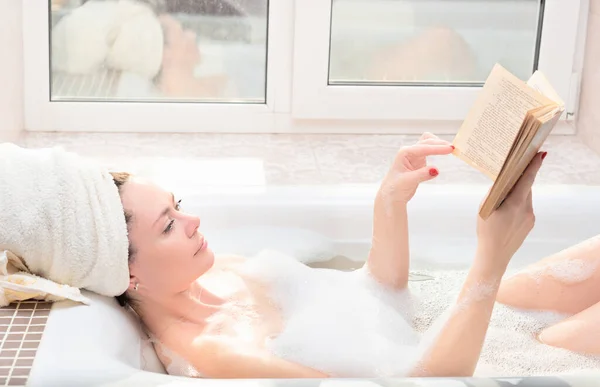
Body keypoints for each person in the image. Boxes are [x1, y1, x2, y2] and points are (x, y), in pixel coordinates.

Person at [106, 132, 545, 378]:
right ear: (127, 275)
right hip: (449, 358)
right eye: (168, 225)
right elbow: (415, 383)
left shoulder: (223, 272)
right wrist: (491, 261)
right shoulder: (216, 352)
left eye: (177, 206)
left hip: (441, 333)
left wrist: (389, 203)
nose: (193, 221)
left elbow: (377, 294)